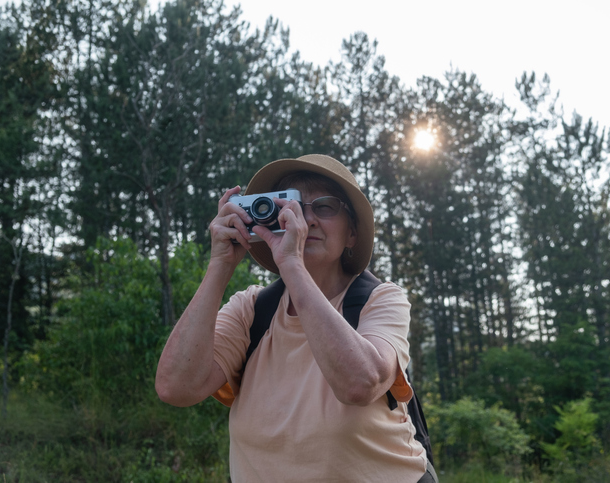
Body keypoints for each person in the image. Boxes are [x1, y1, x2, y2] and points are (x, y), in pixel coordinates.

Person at [155, 154, 437, 482]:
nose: (307, 219)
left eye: (325, 207)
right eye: (293, 206)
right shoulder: (251, 309)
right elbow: (176, 387)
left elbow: (360, 384)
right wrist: (220, 265)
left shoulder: (380, 300)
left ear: (352, 235)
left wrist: (291, 262)